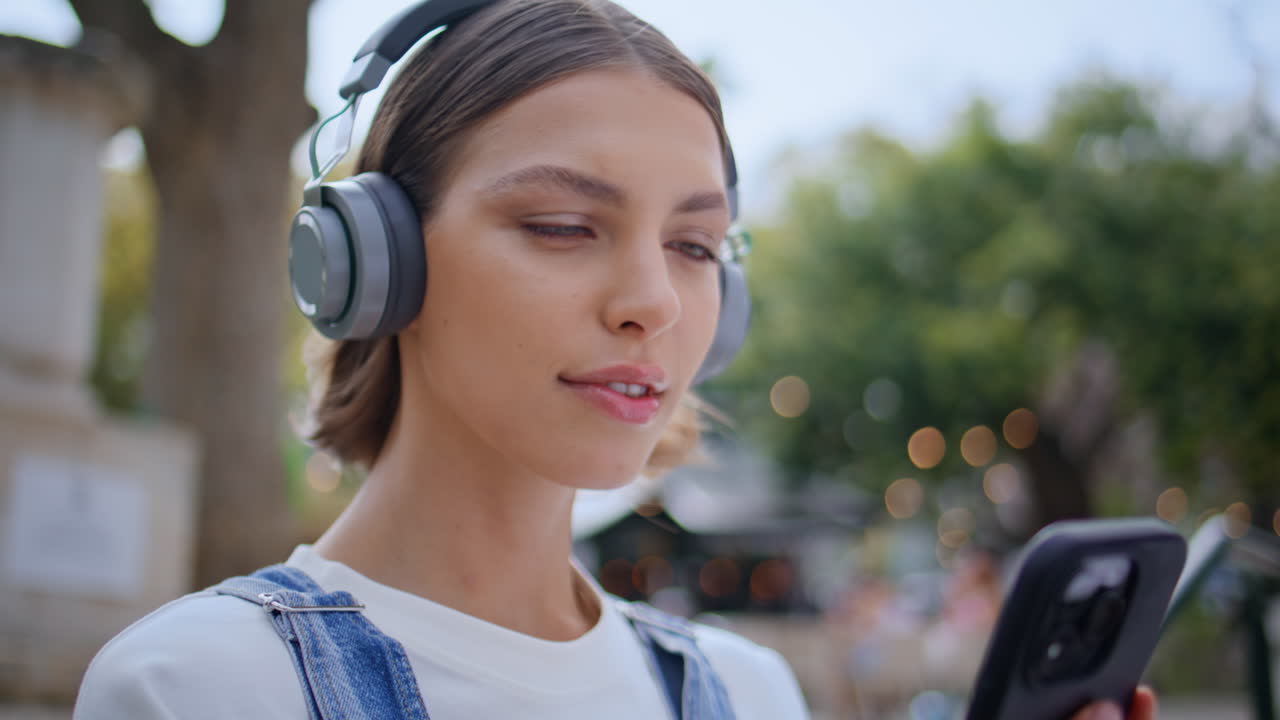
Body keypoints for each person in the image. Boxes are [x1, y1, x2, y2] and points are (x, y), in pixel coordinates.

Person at [73, 1, 1160, 719]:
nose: (653, 302)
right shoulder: (199, 690)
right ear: (376, 259)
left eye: (694, 247)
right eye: (561, 226)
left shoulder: (748, 695)